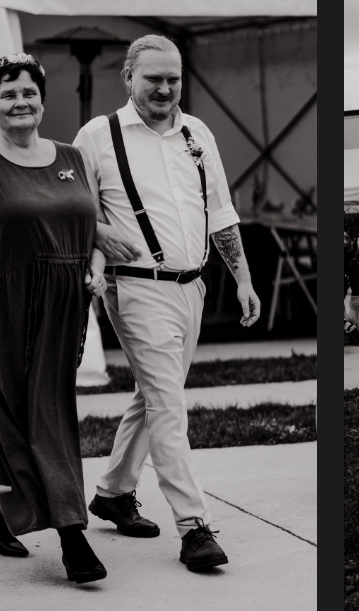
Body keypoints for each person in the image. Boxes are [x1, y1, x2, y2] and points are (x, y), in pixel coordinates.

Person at [73, 35, 260, 571]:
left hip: (192, 286)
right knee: (168, 404)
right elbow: (70, 208)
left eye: (173, 78)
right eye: (153, 77)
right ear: (128, 77)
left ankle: (112, 491)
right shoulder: (97, 136)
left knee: (156, 395)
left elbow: (221, 212)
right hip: (134, 287)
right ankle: (193, 525)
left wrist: (242, 279)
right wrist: (100, 234)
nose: (164, 88)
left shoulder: (197, 131)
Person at [0, 53, 107, 583]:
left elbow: (93, 228)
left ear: (42, 100)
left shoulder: (73, 157)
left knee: (47, 417)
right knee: (14, 421)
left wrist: (96, 270)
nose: (20, 102)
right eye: (7, 94)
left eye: (28, 92)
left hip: (61, 311)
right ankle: (72, 536)